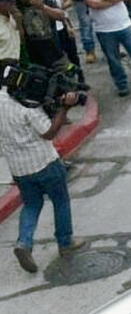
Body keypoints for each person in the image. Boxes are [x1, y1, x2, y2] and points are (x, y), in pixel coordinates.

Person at [0, 71, 84, 273]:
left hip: (19, 168)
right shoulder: (29, 107)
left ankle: (24, 242)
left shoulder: (1, 99)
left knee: (31, 204)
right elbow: (48, 133)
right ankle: (65, 242)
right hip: (44, 162)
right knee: (60, 200)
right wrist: (64, 109)